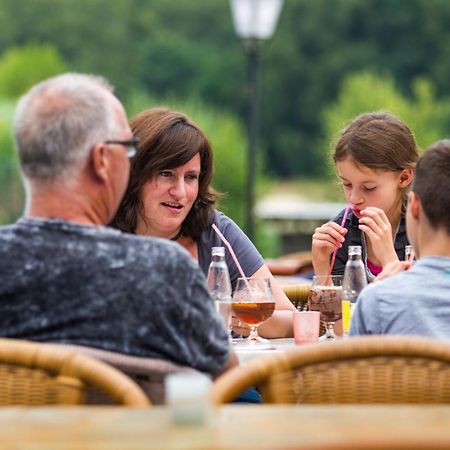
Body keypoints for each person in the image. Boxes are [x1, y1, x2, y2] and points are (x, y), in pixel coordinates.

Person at [0, 73, 235, 379]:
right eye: (127, 148)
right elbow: (228, 381)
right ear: (101, 160)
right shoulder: (164, 270)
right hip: (135, 427)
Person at [111, 107, 296, 338]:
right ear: (135, 173)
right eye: (166, 173)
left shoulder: (217, 232)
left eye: (191, 177)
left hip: (219, 373)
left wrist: (247, 320)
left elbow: (292, 319)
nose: (180, 192)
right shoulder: (101, 235)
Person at [350, 140, 450, 336]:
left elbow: (350, 365)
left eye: (369, 187)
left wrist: (385, 286)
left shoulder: (377, 301)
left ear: (413, 205)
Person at [312, 112, 419, 282]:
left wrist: (389, 260)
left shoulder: (425, 230)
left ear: (404, 178)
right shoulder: (342, 231)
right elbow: (336, 307)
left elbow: (424, 304)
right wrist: (321, 263)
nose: (354, 199)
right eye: (347, 184)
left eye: (369, 188)